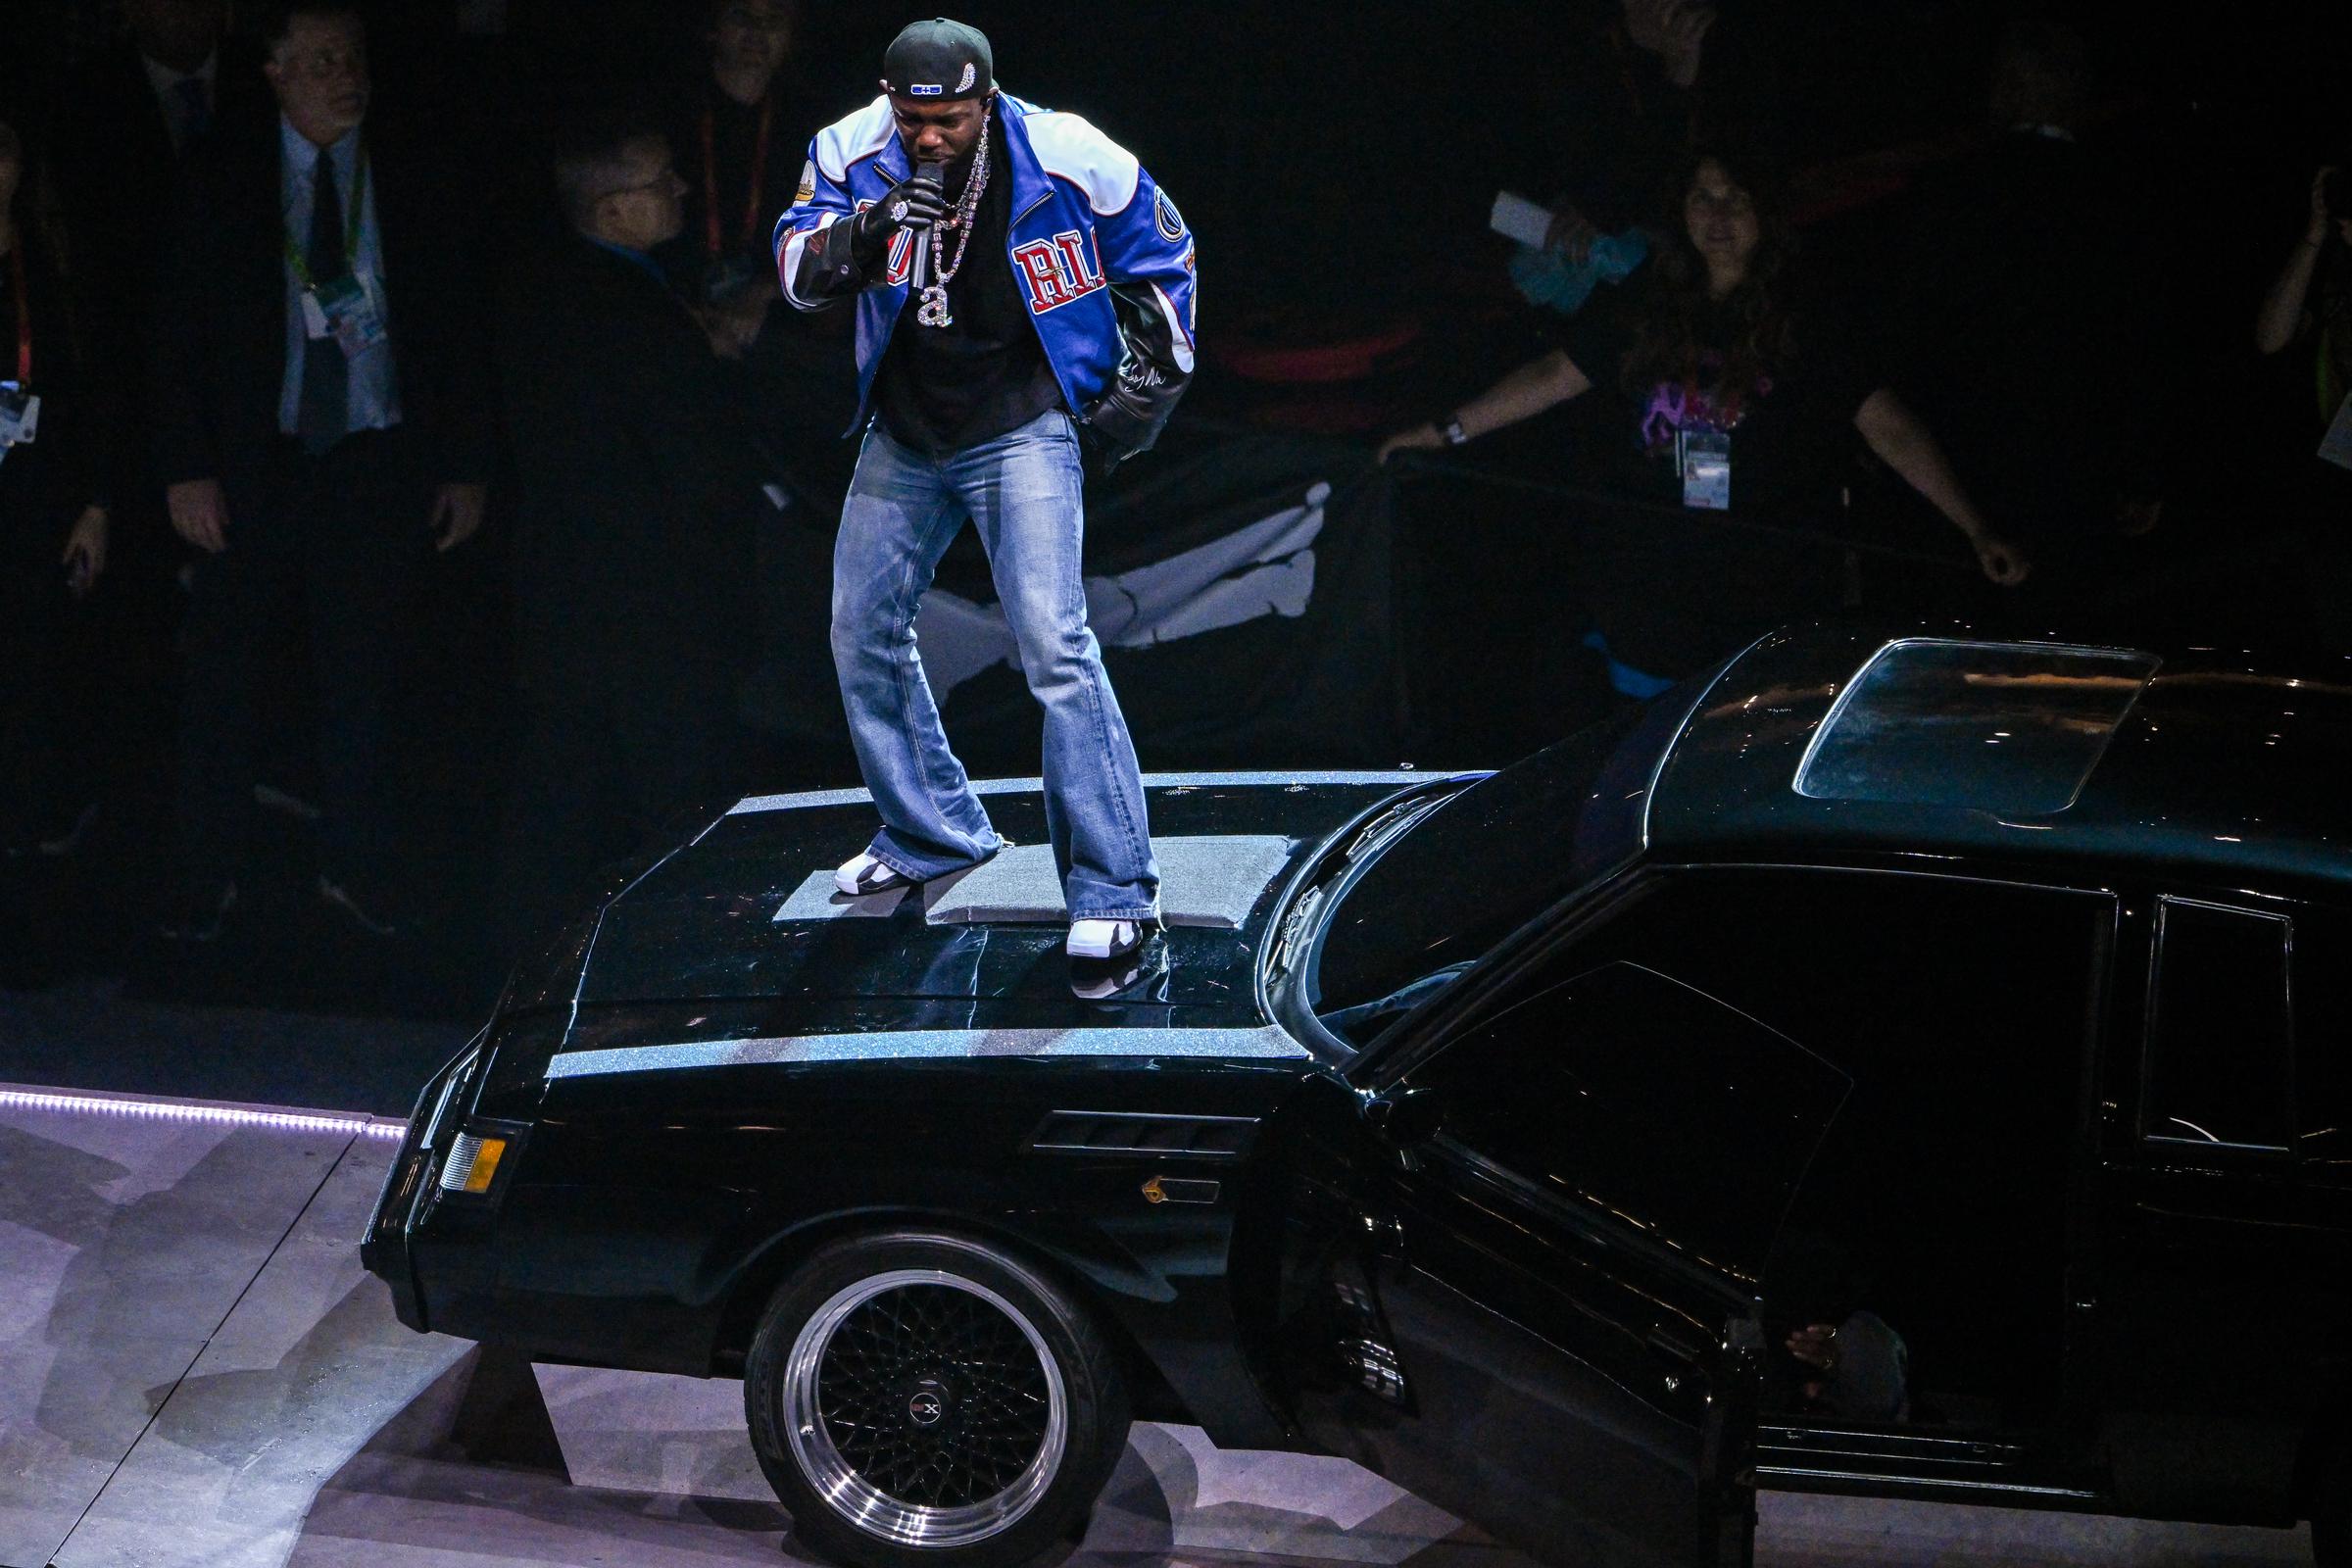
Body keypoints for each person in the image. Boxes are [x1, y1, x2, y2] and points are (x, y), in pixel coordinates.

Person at [774, 18, 1196, 961]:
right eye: (914, 116)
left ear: (987, 101)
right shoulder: (849, 148)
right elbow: (797, 272)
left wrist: (1133, 407)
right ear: (891, 100)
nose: (929, 137)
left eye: (952, 120)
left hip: (1021, 424)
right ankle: (932, 833)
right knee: (860, 630)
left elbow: (1167, 258)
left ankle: (1115, 885)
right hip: (908, 429)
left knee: (1054, 645)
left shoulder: (1064, 148)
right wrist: (871, 230)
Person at [1380, 150, 2028, 690]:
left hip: (1770, 589)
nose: (1717, 215)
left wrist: (1974, 527)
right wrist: (1441, 433)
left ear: (1763, 212)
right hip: (1654, 588)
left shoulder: (1809, 310)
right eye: (1702, 197)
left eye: (1734, 198)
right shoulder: (1648, 299)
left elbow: (1887, 425)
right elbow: (1554, 376)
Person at [152, 0, 492, 940]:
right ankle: (202, 872)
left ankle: (358, 863)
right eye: (323, 59)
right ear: (272, 70)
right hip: (257, 463)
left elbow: (455, 324)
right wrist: (186, 467)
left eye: (355, 56)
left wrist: (463, 462)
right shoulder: (222, 175)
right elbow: (173, 336)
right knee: (223, 673)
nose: (348, 75)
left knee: (366, 673)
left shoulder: (412, 169)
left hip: (375, 460)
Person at [497, 119, 760, 943]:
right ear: (612, 210)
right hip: (650, 601)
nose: (678, 189)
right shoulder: (637, 317)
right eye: (660, 179)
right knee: (674, 784)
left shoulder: (562, 297)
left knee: (566, 776)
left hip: (575, 596)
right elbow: (693, 464)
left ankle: (525, 944)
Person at [1, 116, 111, 857]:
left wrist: (100, 504)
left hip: (39, 504)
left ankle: (33, 826)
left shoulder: (52, 259)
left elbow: (94, 392)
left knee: (36, 674)